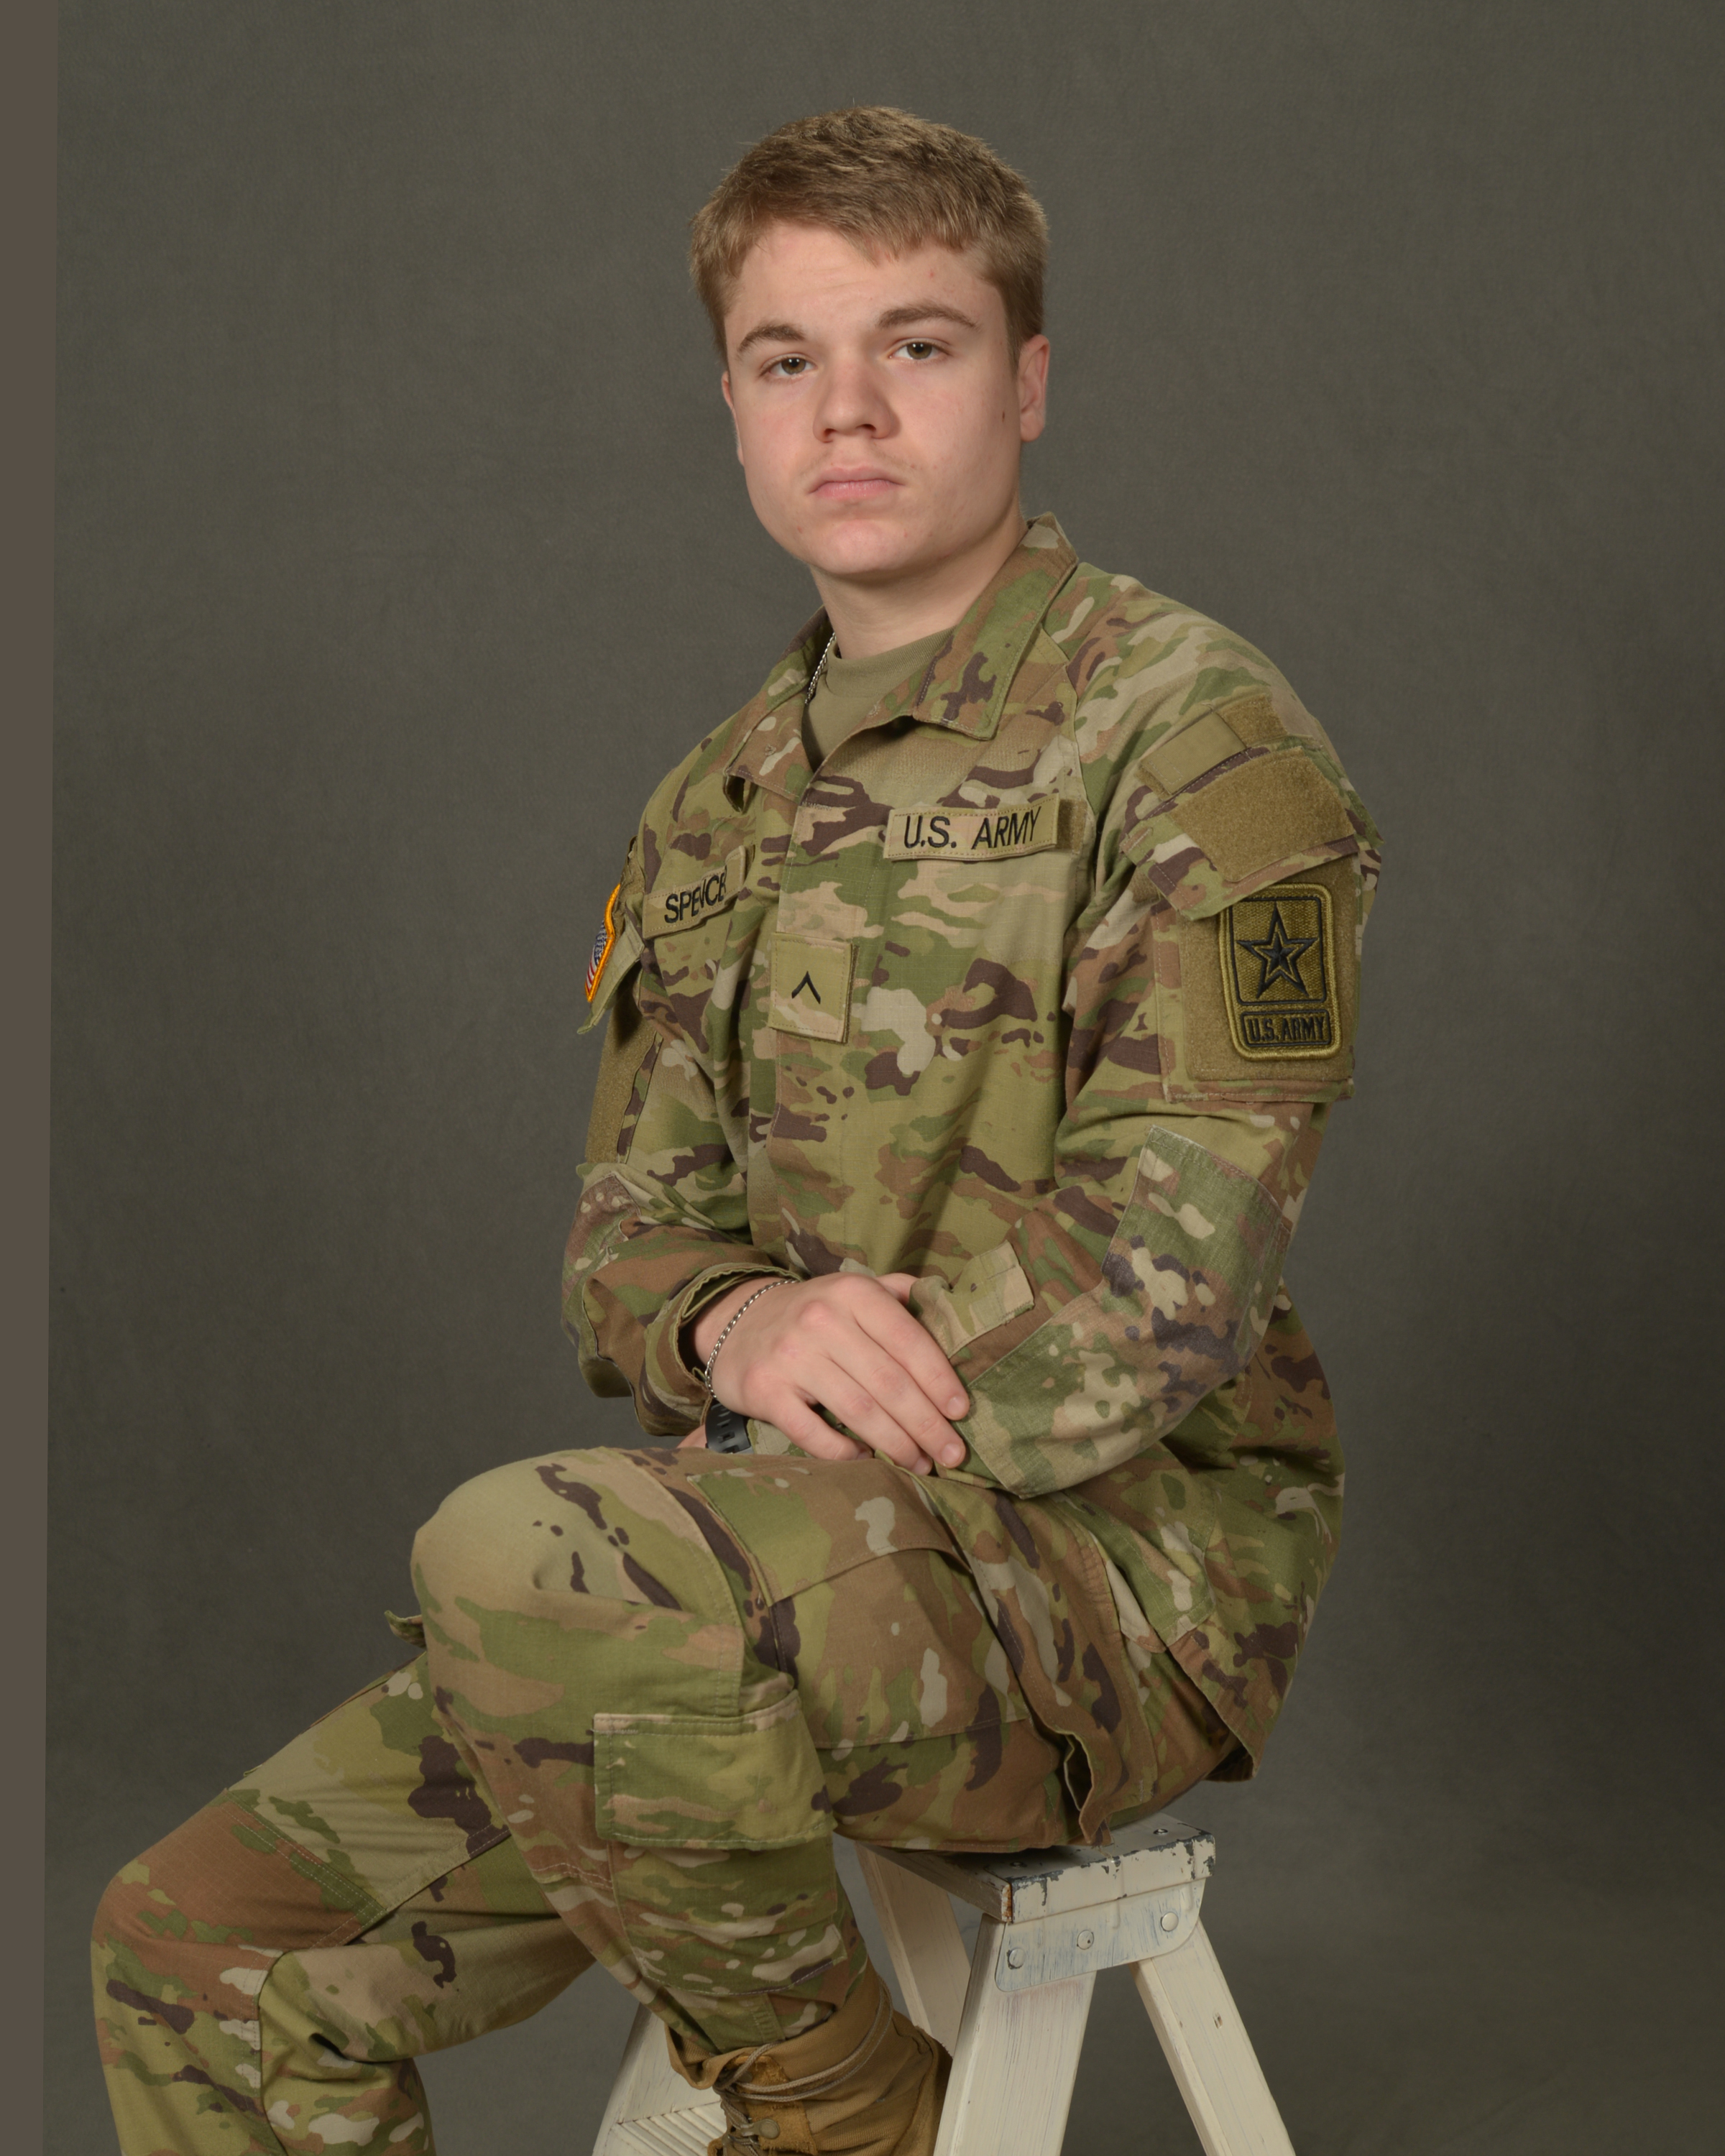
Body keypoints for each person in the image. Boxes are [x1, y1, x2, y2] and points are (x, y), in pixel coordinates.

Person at [93, 106, 1381, 2156]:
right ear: (733, 404)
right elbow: (627, 1247)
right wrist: (734, 1328)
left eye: (918, 344)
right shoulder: (718, 802)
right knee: (200, 1955)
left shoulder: (1192, 735)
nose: (846, 409)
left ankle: (832, 2111)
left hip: (1107, 1582)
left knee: (519, 1553)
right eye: (788, 358)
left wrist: (815, 1422)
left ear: (1029, 381)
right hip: (729, 1582)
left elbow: (1169, 1279)